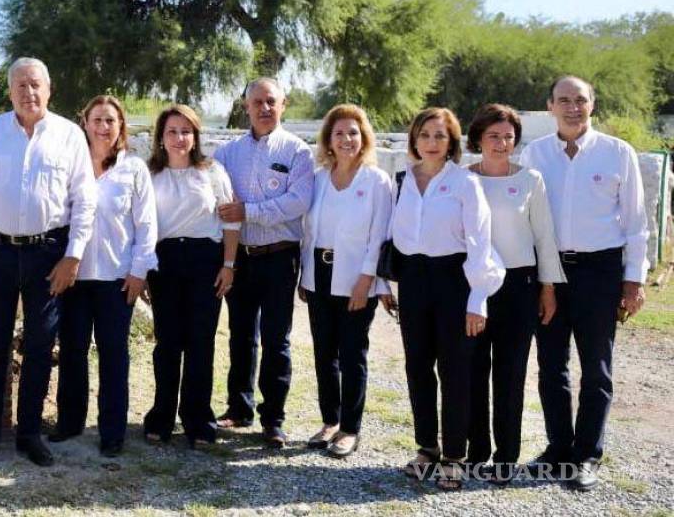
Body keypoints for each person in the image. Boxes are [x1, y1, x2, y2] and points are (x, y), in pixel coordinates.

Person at [0, 57, 96, 468]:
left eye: (36, 85)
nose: (28, 93)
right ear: (9, 91)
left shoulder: (69, 136)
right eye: (20, 86)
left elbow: (84, 201)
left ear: (49, 90)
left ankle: (29, 434)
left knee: (38, 345)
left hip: (49, 254)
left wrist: (74, 255)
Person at [520, 76, 648, 491]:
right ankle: (558, 449)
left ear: (592, 105)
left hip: (600, 272)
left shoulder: (617, 153)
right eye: (563, 100)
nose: (572, 107)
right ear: (549, 106)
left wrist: (634, 281)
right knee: (551, 365)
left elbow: (635, 223)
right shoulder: (534, 154)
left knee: (597, 368)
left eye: (580, 100)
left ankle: (587, 455)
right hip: (550, 274)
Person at [390, 107, 504, 491]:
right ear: (414, 140)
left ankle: (454, 455)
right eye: (425, 135)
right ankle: (427, 448)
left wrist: (477, 300)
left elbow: (480, 242)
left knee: (455, 370)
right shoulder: (403, 179)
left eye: (440, 136)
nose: (432, 143)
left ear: (452, 141)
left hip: (455, 279)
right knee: (417, 366)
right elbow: (392, 236)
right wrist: (385, 284)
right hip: (413, 280)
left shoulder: (465, 183)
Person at [461, 104, 566, 484]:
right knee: (473, 371)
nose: (501, 143)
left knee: (510, 374)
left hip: (519, 288)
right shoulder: (460, 179)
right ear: (478, 139)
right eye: (493, 136)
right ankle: (476, 453)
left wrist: (548, 287)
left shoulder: (530, 179)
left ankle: (506, 456)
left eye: (508, 136)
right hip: (472, 287)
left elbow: (544, 237)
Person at [48, 95, 157, 458]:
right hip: (74, 278)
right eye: (97, 120)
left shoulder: (134, 169)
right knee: (73, 352)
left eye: (110, 121)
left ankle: (112, 432)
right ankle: (70, 423)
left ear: (120, 126)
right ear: (85, 123)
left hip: (116, 280)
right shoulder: (69, 165)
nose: (103, 127)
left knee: (113, 355)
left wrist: (139, 271)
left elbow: (146, 224)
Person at [213, 77, 313, 448]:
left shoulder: (297, 152)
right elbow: (218, 197)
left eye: (271, 101)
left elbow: (297, 202)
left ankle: (274, 419)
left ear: (283, 104)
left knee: (276, 339)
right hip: (240, 257)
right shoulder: (227, 153)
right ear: (246, 106)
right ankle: (239, 408)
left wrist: (248, 211)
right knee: (240, 335)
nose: (264, 108)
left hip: (279, 256)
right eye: (257, 102)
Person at [299, 104, 393, 458]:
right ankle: (329, 420)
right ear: (328, 140)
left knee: (352, 352)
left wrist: (366, 280)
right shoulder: (319, 178)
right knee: (324, 352)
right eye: (339, 133)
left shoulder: (376, 181)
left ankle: (351, 428)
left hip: (356, 277)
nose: (346, 139)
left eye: (353, 132)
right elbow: (309, 231)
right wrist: (305, 276)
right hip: (318, 273)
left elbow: (379, 235)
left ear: (364, 137)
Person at [144, 104, 240, 448]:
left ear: (195, 136)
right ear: (161, 137)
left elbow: (230, 220)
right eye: (172, 131)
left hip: (205, 261)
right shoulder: (149, 175)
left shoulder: (212, 172)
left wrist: (228, 265)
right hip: (165, 261)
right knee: (168, 343)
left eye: (186, 131)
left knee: (201, 342)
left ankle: (198, 420)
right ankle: (162, 416)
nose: (179, 138)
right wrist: (142, 267)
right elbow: (142, 225)